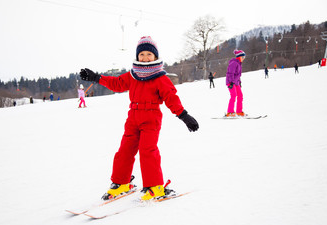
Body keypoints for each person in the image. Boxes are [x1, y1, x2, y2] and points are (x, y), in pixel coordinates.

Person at [80, 36, 199, 201]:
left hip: (151, 117)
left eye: (149, 54)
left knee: (147, 150)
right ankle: (120, 183)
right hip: (133, 118)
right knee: (125, 151)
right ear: (137, 56)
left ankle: (154, 186)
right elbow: (117, 84)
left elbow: (171, 98)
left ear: (155, 57)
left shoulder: (160, 77)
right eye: (141, 54)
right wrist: (97, 78)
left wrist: (184, 115)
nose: (145, 57)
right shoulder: (133, 75)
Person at [226, 50, 246, 117]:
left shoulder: (239, 64)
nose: (243, 59)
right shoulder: (234, 63)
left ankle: (239, 111)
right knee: (233, 95)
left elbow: (238, 75)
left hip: (236, 82)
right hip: (231, 82)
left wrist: (239, 82)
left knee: (240, 95)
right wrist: (231, 82)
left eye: (244, 57)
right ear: (239, 57)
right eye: (243, 57)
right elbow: (230, 73)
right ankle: (230, 112)